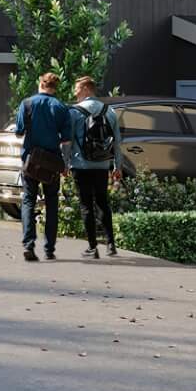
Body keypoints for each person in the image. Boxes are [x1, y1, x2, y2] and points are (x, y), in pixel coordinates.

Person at [12, 71, 73, 263]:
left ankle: (28, 244)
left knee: (29, 200)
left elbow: (19, 131)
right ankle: (49, 249)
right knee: (52, 202)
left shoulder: (27, 104)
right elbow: (66, 141)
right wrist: (65, 165)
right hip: (52, 162)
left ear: (41, 84)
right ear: (55, 87)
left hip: (31, 159)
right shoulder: (62, 107)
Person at [67, 75, 121, 259]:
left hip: (80, 165)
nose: (75, 93)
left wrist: (65, 163)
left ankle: (92, 247)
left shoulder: (74, 112)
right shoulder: (110, 111)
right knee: (103, 203)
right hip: (102, 164)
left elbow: (68, 142)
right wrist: (117, 166)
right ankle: (111, 244)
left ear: (86, 89)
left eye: (77, 89)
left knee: (86, 205)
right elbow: (117, 142)